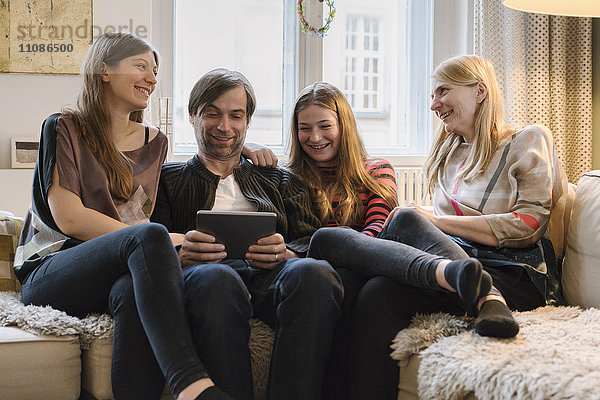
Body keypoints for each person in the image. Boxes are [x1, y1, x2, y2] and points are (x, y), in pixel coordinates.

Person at [300, 56, 567, 399]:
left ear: (479, 91)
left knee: (401, 219)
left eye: (443, 91)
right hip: (461, 264)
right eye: (432, 94)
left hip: (516, 273)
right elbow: (444, 228)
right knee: (374, 292)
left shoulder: (527, 139)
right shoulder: (449, 150)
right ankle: (476, 289)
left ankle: (486, 291)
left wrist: (434, 220)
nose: (433, 104)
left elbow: (528, 226)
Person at [13, 33, 233, 400]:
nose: (152, 78)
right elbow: (69, 219)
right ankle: (191, 384)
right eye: (141, 66)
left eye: (155, 71)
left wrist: (252, 149)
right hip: (51, 270)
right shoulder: (63, 127)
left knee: (133, 289)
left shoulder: (156, 142)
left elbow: (137, 215)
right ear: (104, 70)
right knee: (149, 236)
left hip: (114, 271)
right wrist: (156, 239)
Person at [150, 68, 343, 400]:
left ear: (247, 122)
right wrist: (181, 253)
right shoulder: (165, 181)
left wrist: (288, 252)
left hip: (271, 275)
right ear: (193, 116)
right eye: (213, 113)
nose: (225, 126)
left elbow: (312, 237)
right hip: (206, 278)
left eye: (235, 115)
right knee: (216, 280)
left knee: (316, 273)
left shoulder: (279, 180)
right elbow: (146, 243)